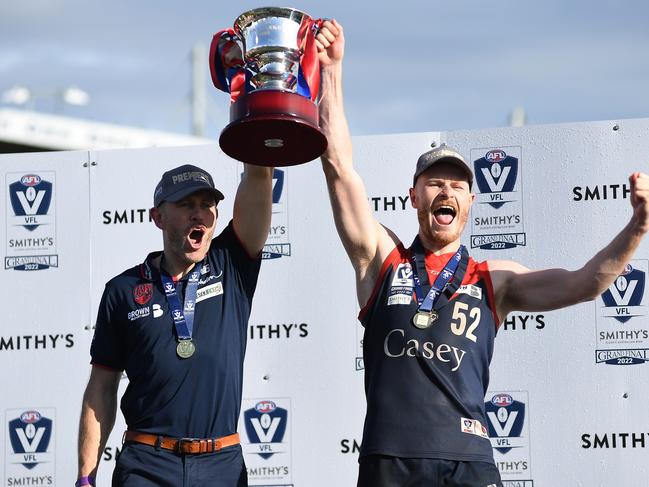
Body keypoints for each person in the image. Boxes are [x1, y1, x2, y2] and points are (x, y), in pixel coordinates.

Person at [315, 20, 649, 487]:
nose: (445, 191)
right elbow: (338, 167)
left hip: (467, 461)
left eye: (457, 185)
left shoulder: (494, 278)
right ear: (413, 195)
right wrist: (331, 71)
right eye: (435, 182)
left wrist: (638, 227)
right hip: (390, 460)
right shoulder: (381, 258)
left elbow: (585, 283)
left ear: (472, 201)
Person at [76, 163, 273, 487]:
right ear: (158, 217)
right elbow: (101, 387)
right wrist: (86, 475)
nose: (199, 214)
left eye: (206, 205)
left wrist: (260, 141)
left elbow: (258, 176)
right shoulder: (123, 290)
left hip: (220, 465)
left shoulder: (231, 263)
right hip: (146, 465)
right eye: (186, 205)